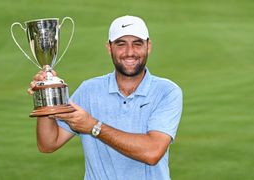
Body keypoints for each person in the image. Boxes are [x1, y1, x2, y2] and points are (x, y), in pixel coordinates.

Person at [29, 15, 183, 180]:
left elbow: (152, 152)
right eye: (121, 44)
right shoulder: (88, 90)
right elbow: (48, 144)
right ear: (109, 48)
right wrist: (45, 95)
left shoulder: (167, 91)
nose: (129, 52)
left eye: (137, 44)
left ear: (148, 46)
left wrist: (93, 126)